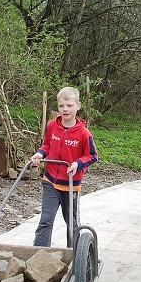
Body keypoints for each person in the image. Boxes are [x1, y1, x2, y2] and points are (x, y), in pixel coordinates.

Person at [31, 86, 98, 247]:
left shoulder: (84, 134)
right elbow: (47, 146)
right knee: (45, 220)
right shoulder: (52, 126)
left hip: (70, 185)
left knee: (71, 224)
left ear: (78, 106)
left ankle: (75, 257)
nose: (65, 109)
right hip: (50, 182)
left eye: (69, 105)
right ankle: (38, 254)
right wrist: (40, 154)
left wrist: (77, 163)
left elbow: (92, 156)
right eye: (61, 106)